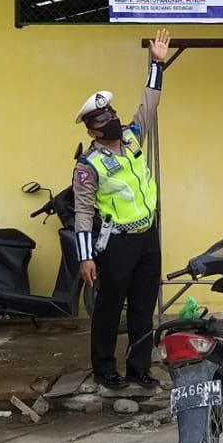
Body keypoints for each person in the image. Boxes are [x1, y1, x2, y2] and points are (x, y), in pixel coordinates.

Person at [72, 28, 171, 390]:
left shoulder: (131, 137)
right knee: (110, 309)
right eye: (103, 119)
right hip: (116, 244)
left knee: (144, 306)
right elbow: (83, 212)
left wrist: (157, 64)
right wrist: (86, 257)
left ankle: (139, 369)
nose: (112, 119)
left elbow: (149, 104)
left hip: (147, 237)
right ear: (93, 131)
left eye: (111, 112)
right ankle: (104, 369)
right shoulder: (89, 165)